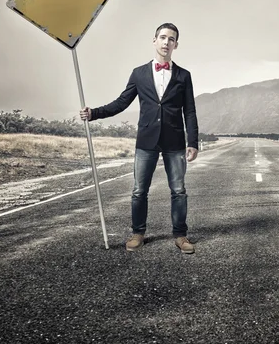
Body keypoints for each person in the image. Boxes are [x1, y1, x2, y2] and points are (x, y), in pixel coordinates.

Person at [80, 23, 199, 254]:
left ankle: (181, 235)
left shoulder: (184, 76)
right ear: (154, 40)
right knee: (138, 190)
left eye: (171, 39)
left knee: (178, 190)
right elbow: (121, 102)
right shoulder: (139, 73)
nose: (166, 42)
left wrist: (192, 142)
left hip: (174, 141)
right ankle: (138, 233)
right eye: (162, 37)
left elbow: (190, 111)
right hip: (146, 140)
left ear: (176, 44)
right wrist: (94, 113)